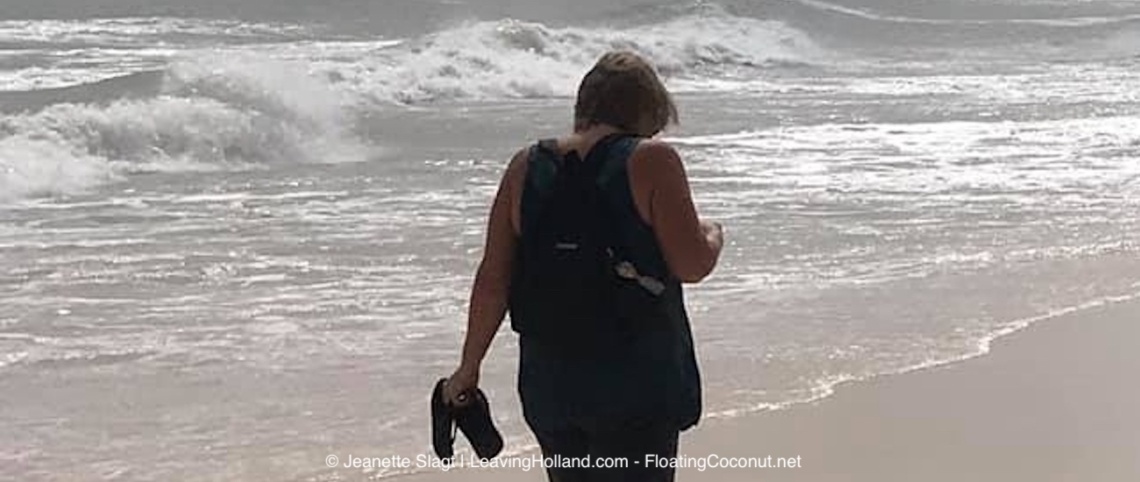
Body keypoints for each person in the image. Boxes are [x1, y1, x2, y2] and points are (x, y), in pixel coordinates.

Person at [444, 50, 725, 482]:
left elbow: (492, 281)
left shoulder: (525, 167)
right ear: (646, 108)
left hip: (550, 385)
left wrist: (469, 367)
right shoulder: (652, 160)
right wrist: (712, 234)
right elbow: (691, 265)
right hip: (635, 384)